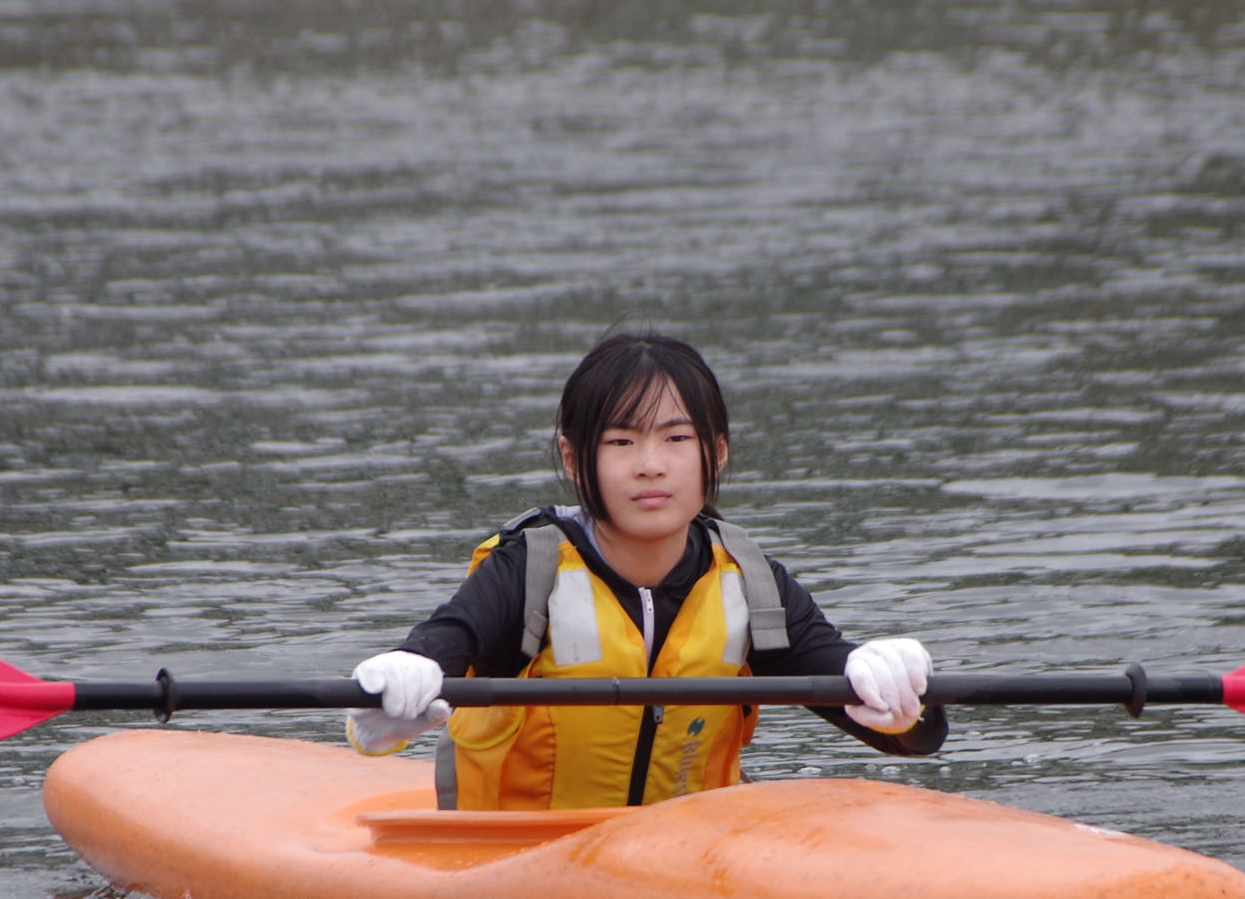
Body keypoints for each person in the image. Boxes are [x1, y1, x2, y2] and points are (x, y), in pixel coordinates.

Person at [348, 331, 946, 810]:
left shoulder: (752, 583)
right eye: (621, 442)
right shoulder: (528, 570)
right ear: (574, 459)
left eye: (676, 438)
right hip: (516, 861)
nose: (651, 466)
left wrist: (899, 695)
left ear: (716, 452)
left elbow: (912, 738)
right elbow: (447, 641)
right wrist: (400, 687)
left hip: (685, 863)